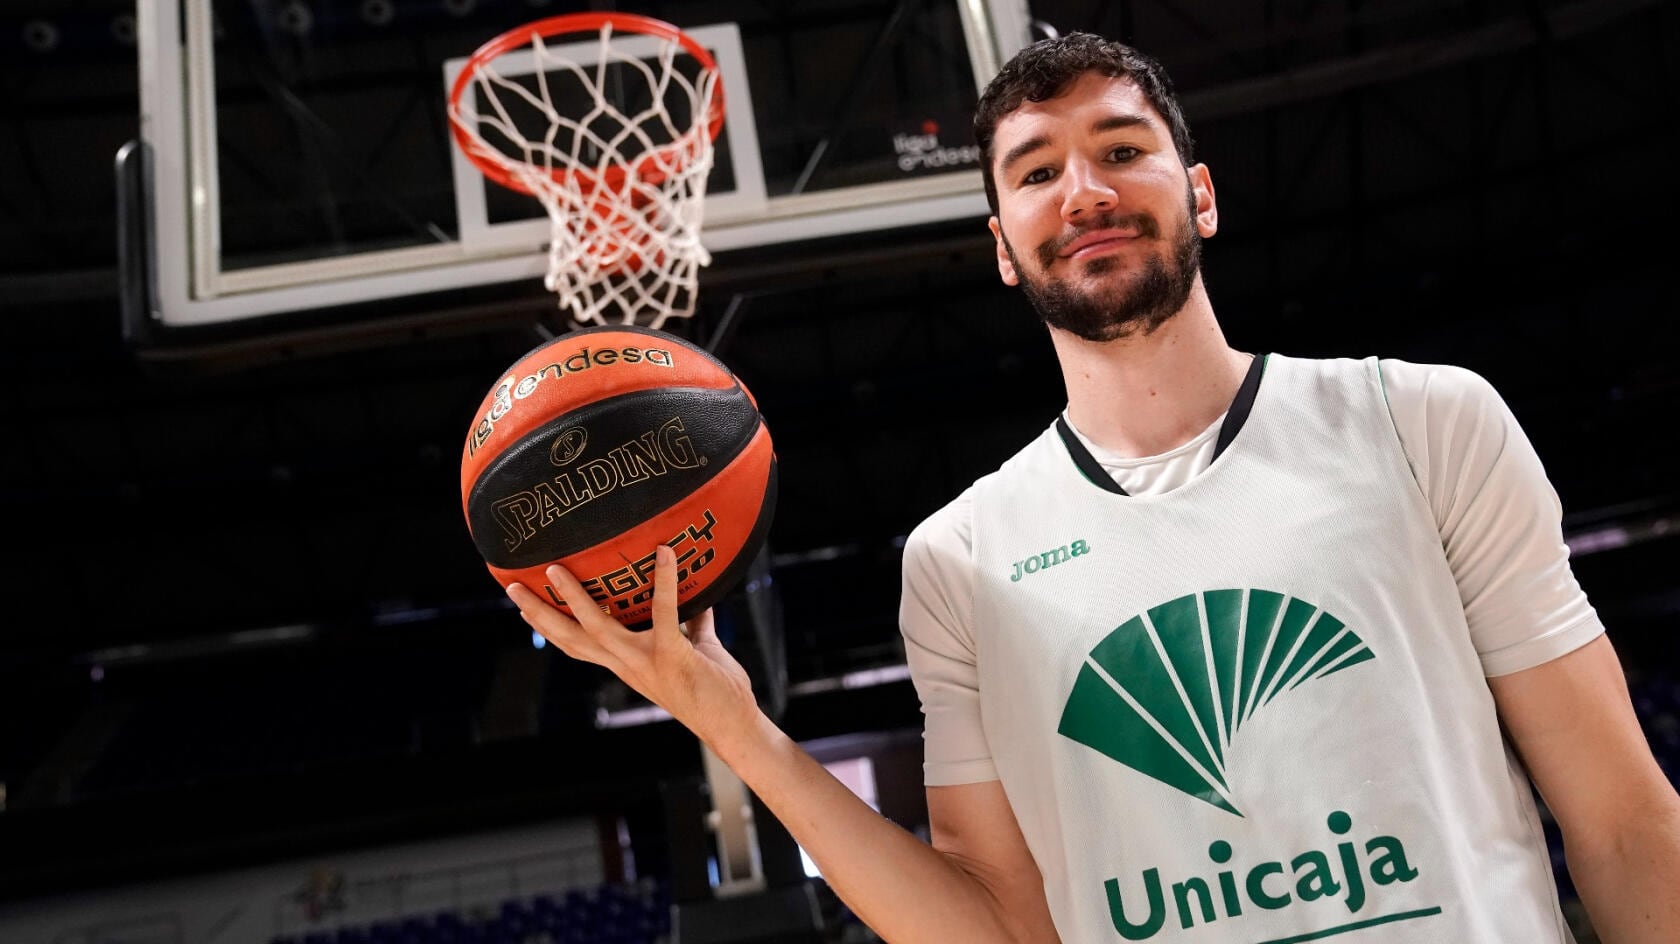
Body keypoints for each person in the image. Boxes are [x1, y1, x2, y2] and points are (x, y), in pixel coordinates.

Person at [504, 31, 1680, 943]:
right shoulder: (961, 559)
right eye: (1037, 171)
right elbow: (1000, 926)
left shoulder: (1422, 420)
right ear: (1004, 245)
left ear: (1200, 193)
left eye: (1122, 150)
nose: (1085, 190)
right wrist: (733, 723)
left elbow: (1624, 820)